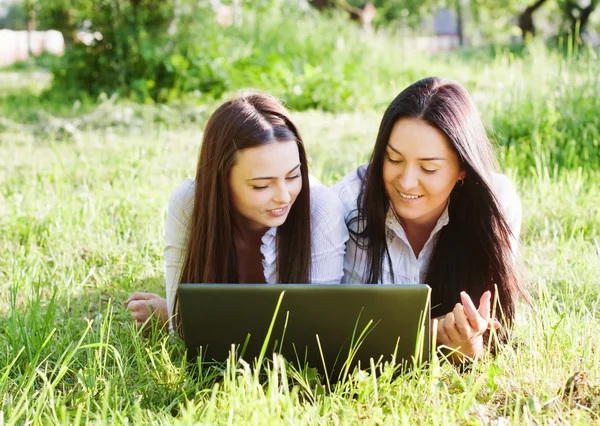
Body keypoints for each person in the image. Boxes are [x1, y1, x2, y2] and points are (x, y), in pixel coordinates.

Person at [333, 77, 529, 361]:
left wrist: (470, 345)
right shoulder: (348, 203)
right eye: (394, 160)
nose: (407, 182)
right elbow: (327, 327)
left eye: (428, 168)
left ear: (463, 168)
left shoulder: (494, 203)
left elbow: (493, 335)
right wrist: (432, 334)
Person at [126, 92, 348, 332]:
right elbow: (185, 328)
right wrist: (178, 317)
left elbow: (317, 330)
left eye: (294, 175)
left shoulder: (322, 208)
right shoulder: (188, 202)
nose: (284, 196)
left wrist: (171, 315)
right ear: (221, 181)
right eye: (261, 185)